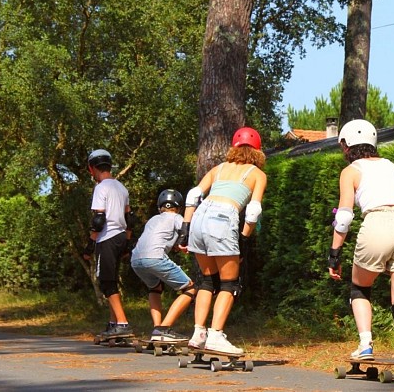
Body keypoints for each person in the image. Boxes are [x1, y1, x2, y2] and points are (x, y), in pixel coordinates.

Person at [327, 119, 394, 380]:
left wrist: (334, 255)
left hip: (375, 223)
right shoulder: (391, 167)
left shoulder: (351, 171)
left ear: (346, 145)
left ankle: (365, 344)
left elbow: (343, 217)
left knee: (359, 288)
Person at [184, 127, 267, 354]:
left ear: (234, 147)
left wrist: (185, 229)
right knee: (230, 283)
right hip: (223, 218)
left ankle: (198, 333)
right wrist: (243, 241)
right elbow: (253, 211)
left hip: (200, 216)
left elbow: (193, 195)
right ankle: (216, 335)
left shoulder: (218, 168)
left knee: (207, 281)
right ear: (258, 150)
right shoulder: (257, 174)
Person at [130, 189, 198, 342]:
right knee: (191, 288)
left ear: (160, 206)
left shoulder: (153, 219)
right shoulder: (177, 217)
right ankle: (164, 329)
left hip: (136, 259)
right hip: (155, 257)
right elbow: (186, 233)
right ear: (179, 207)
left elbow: (158, 237)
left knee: (155, 288)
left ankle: (157, 328)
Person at [83, 149, 137, 339]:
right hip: (121, 236)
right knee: (111, 281)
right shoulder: (121, 187)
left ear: (92, 168)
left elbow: (99, 220)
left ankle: (122, 323)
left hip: (107, 238)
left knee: (106, 283)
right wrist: (127, 243)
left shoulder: (101, 187)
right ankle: (113, 323)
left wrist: (90, 246)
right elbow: (130, 218)